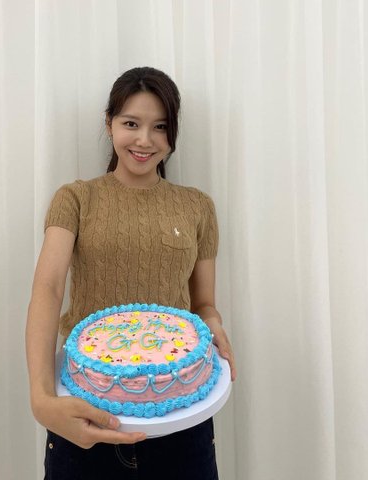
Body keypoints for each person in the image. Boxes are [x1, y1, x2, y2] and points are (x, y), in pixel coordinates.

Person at [25, 66, 236, 480]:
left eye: (160, 126)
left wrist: (214, 323)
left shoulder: (197, 206)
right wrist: (41, 398)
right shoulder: (76, 198)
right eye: (131, 124)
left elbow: (203, 303)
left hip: (180, 425)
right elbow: (47, 289)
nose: (144, 140)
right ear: (110, 124)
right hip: (85, 419)